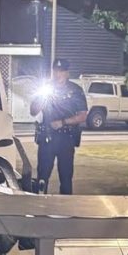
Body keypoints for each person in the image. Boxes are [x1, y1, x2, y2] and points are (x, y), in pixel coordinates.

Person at [30, 58, 88, 195]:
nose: (58, 74)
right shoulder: (46, 88)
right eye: (56, 71)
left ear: (67, 73)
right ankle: (40, 208)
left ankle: (65, 210)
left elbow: (83, 115)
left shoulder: (75, 90)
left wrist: (63, 122)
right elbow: (33, 111)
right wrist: (41, 98)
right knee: (42, 177)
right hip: (47, 139)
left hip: (66, 139)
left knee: (66, 177)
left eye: (61, 71)